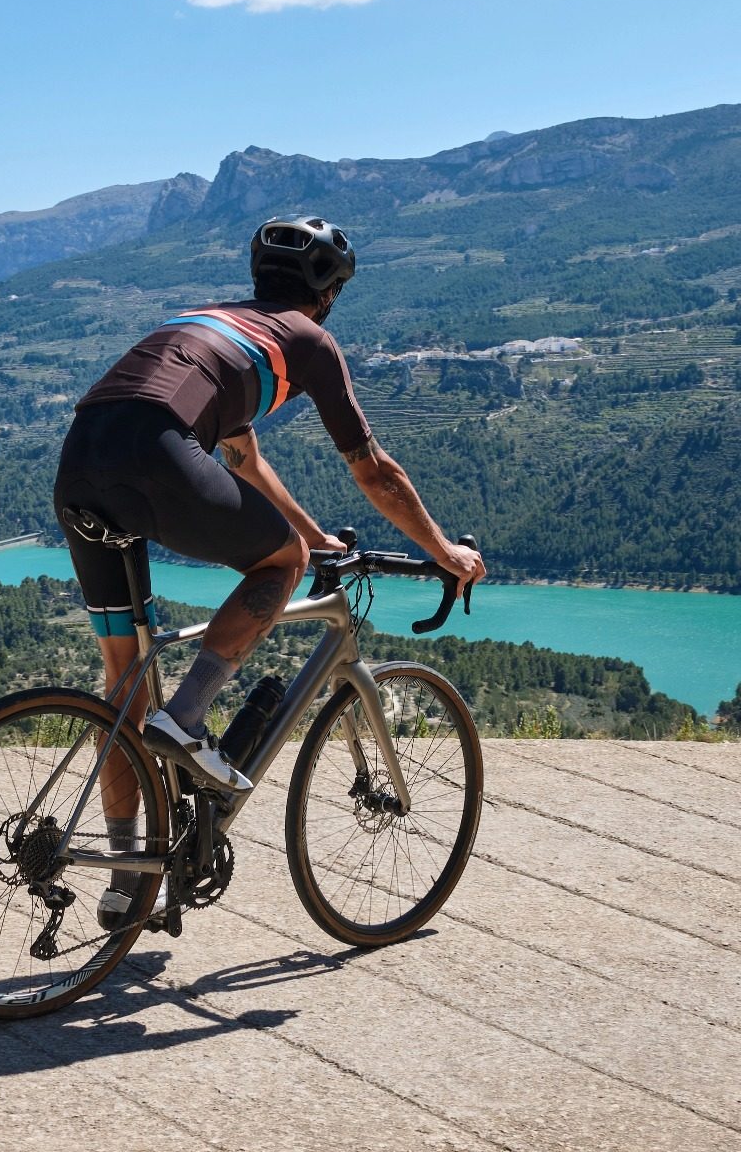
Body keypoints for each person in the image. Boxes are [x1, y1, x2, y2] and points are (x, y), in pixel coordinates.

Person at [53, 215, 487, 929]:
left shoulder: (216, 325)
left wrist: (314, 537)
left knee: (122, 680)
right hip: (156, 446)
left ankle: (128, 874)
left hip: (82, 458)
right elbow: (375, 472)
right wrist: (446, 552)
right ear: (329, 291)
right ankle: (186, 719)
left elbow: (245, 461)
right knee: (275, 563)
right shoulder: (309, 341)